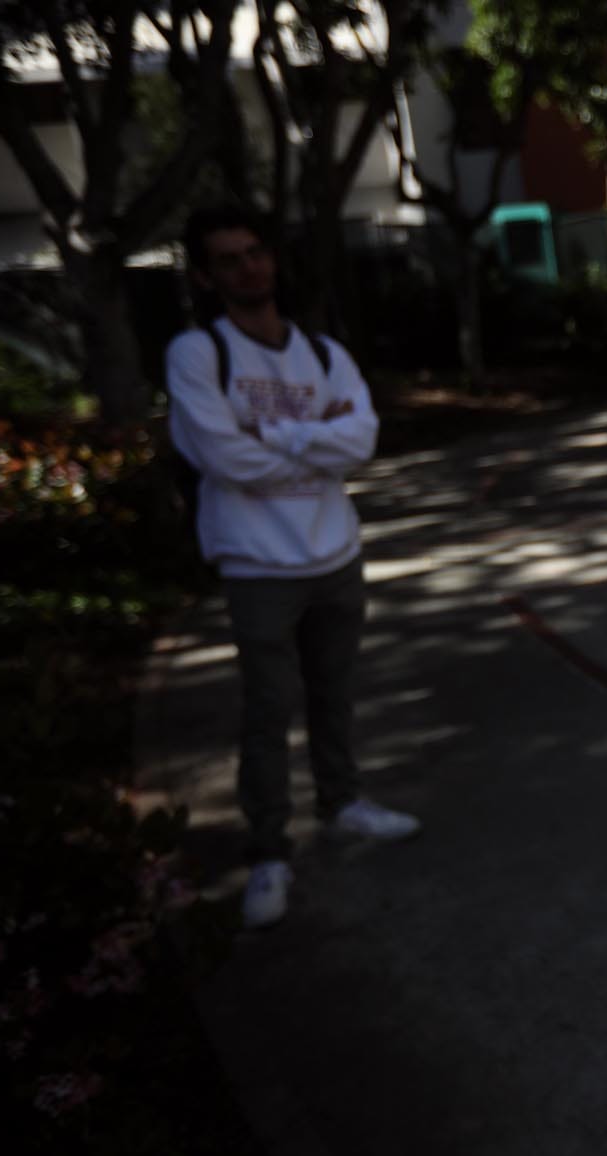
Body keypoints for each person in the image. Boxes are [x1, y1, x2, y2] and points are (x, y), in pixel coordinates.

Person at [166, 206, 420, 931]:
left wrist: (271, 432)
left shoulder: (321, 352)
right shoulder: (198, 354)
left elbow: (362, 440)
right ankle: (269, 849)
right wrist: (318, 436)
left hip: (334, 552)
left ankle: (342, 802)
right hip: (257, 563)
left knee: (333, 694)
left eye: (255, 253)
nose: (248, 268)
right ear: (205, 276)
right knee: (268, 709)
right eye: (229, 259)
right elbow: (221, 457)